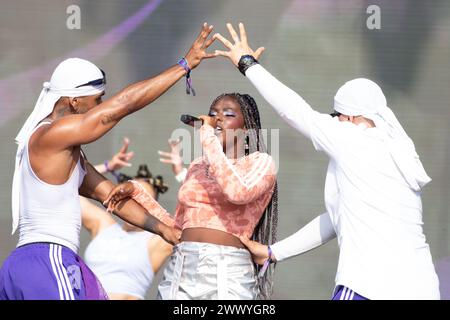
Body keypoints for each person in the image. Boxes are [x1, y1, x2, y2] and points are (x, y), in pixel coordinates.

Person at [213, 23, 440, 300]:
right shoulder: (397, 151)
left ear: (350, 116)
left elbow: (295, 111)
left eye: (337, 116)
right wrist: (274, 252)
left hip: (370, 286)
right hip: (422, 289)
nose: (335, 122)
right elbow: (335, 220)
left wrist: (247, 64)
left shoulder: (354, 137)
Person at [0, 23, 216, 300]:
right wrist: (183, 66)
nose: (101, 106)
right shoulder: (50, 134)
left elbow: (111, 197)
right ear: (75, 102)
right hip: (47, 259)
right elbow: (119, 109)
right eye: (97, 99)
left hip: (26, 266)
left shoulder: (66, 155)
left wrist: (163, 229)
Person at [104, 93, 279, 300]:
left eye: (228, 114)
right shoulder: (198, 165)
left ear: (246, 129)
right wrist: (136, 192)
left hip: (227, 271)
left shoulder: (261, 162)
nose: (217, 119)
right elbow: (178, 227)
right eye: (213, 114)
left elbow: (237, 192)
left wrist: (207, 137)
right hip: (182, 267)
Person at [82, 165, 172, 300]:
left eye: (143, 200)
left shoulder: (158, 240)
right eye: (131, 197)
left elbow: (193, 223)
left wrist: (182, 174)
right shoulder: (104, 226)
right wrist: (106, 166)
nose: (136, 204)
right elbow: (69, 189)